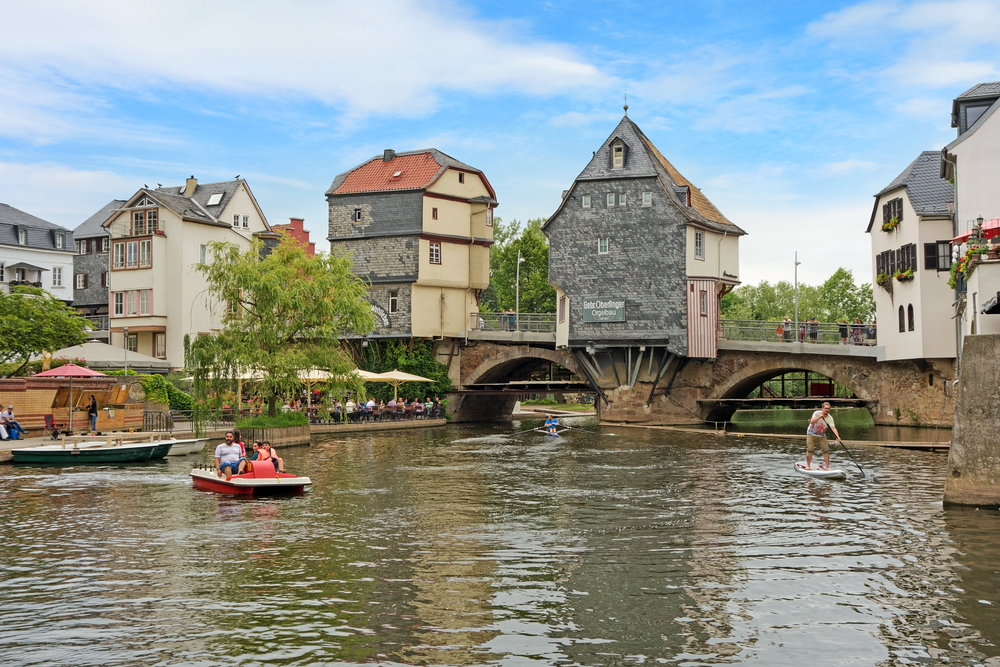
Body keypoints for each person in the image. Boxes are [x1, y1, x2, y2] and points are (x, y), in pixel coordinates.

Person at [805, 401, 842, 470]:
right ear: (822, 408)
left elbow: (833, 428)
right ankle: (808, 466)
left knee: (826, 450)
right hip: (811, 433)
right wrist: (819, 417)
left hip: (821, 435)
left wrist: (837, 436)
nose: (827, 410)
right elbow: (812, 421)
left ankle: (827, 467)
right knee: (810, 449)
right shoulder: (816, 413)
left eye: (828, 409)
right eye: (826, 408)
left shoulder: (830, 418)